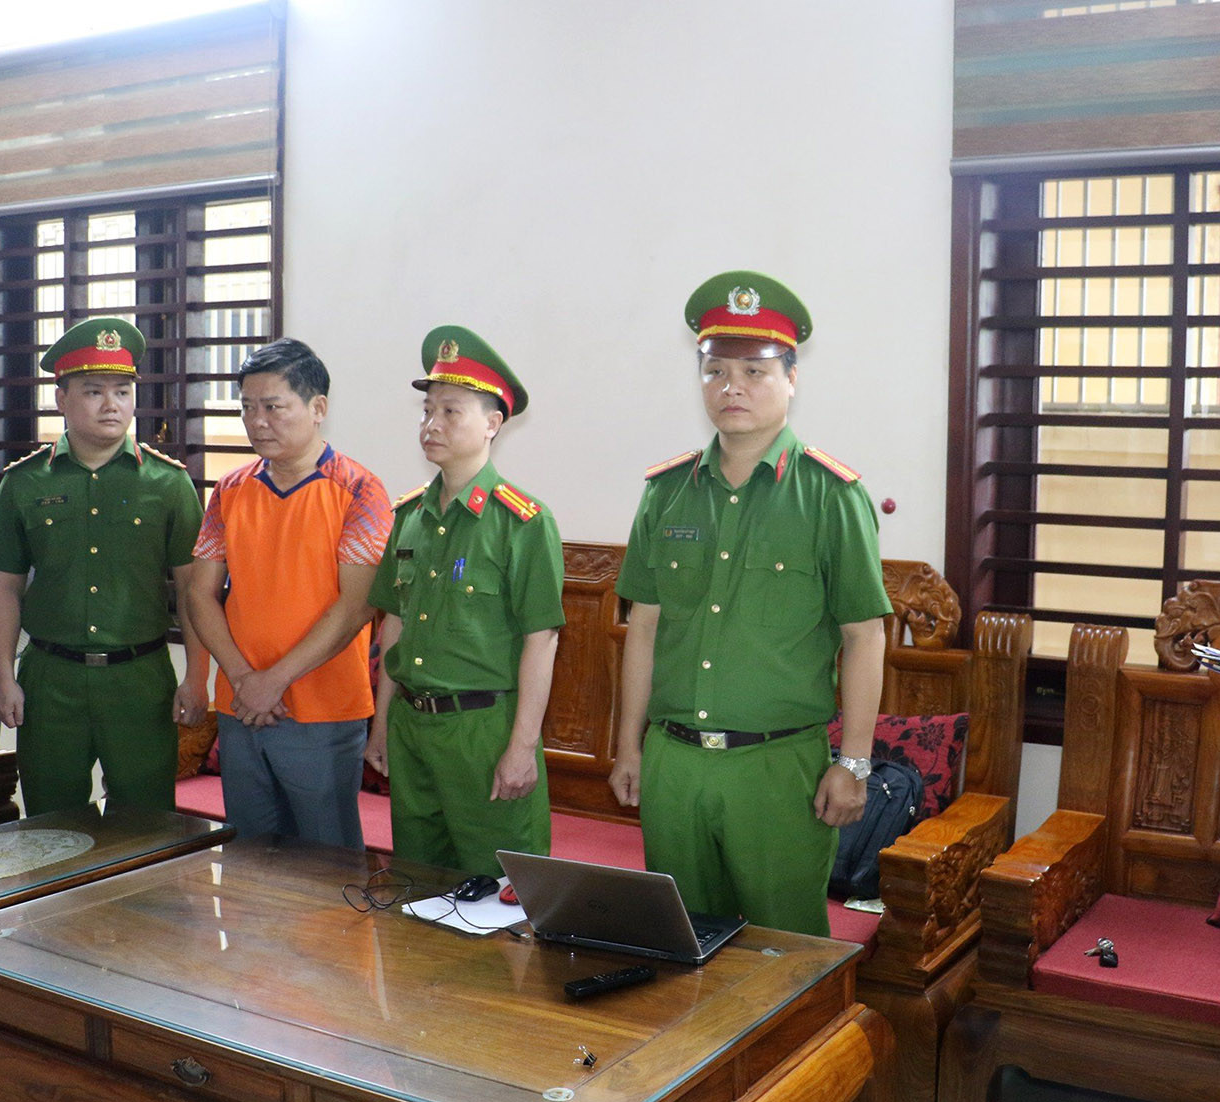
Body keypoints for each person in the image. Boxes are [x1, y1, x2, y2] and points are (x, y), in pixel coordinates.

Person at [608, 271, 890, 938]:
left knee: (783, 951)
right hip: (674, 762)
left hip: (776, 767)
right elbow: (643, 628)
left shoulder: (831, 495)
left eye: (754, 371)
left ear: (792, 379)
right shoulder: (666, 492)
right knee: (681, 944)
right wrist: (628, 748)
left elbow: (865, 636)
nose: (731, 386)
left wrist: (853, 763)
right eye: (715, 370)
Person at [0, 316, 209, 816]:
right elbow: (3, 588)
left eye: (123, 391)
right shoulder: (24, 482)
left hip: (140, 679)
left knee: (147, 823)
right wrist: (3, 676)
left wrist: (196, 675)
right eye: (93, 391)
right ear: (61, 399)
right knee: (51, 826)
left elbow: (194, 589)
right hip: (50, 679)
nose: (112, 404)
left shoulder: (169, 483)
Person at [363, 327, 564, 875]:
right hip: (412, 726)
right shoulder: (408, 517)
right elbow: (394, 624)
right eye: (427, 410)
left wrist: (521, 747)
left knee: (499, 887)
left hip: (483, 730)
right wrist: (381, 724)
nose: (432, 424)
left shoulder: (521, 522)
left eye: (451, 412)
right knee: (417, 881)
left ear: (492, 423)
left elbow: (542, 639)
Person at [183, 338, 392, 848]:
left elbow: (356, 606)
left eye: (273, 407)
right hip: (240, 706)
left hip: (322, 711)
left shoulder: (359, 490)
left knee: (326, 863)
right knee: (250, 858)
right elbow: (200, 594)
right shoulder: (230, 489)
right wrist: (243, 679)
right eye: (247, 408)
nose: (257, 422)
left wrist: (273, 681)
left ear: (317, 408)